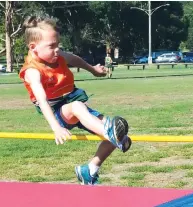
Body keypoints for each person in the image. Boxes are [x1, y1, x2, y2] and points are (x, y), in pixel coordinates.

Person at [19, 16, 132, 185]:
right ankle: (109, 132)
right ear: (33, 48)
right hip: (58, 113)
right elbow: (42, 101)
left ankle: (90, 170)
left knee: (121, 137)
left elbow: (74, 59)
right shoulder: (32, 71)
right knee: (79, 107)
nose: (57, 50)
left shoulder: (58, 57)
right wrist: (56, 128)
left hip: (76, 107)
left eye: (58, 44)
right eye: (52, 46)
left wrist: (93, 69)